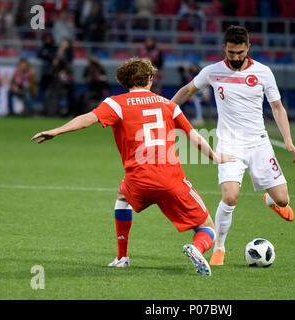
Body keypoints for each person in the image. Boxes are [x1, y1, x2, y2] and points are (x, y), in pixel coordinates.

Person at [31, 58, 235, 276]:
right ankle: (197, 247)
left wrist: (57, 131)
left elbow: (88, 119)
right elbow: (193, 136)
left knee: (122, 195)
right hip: (171, 180)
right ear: (149, 78)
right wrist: (214, 156)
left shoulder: (115, 104)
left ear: (125, 81)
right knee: (207, 228)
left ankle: (122, 257)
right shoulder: (169, 105)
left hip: (138, 180)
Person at [171, 25, 295, 266]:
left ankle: (271, 201)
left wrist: (288, 141)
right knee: (230, 197)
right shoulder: (212, 71)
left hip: (259, 143)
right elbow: (188, 90)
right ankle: (219, 248)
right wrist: (166, 110)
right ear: (224, 49)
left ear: (248, 47)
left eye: (240, 52)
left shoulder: (263, 72)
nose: (236, 57)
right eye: (232, 53)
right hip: (229, 144)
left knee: (283, 199)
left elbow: (277, 108)